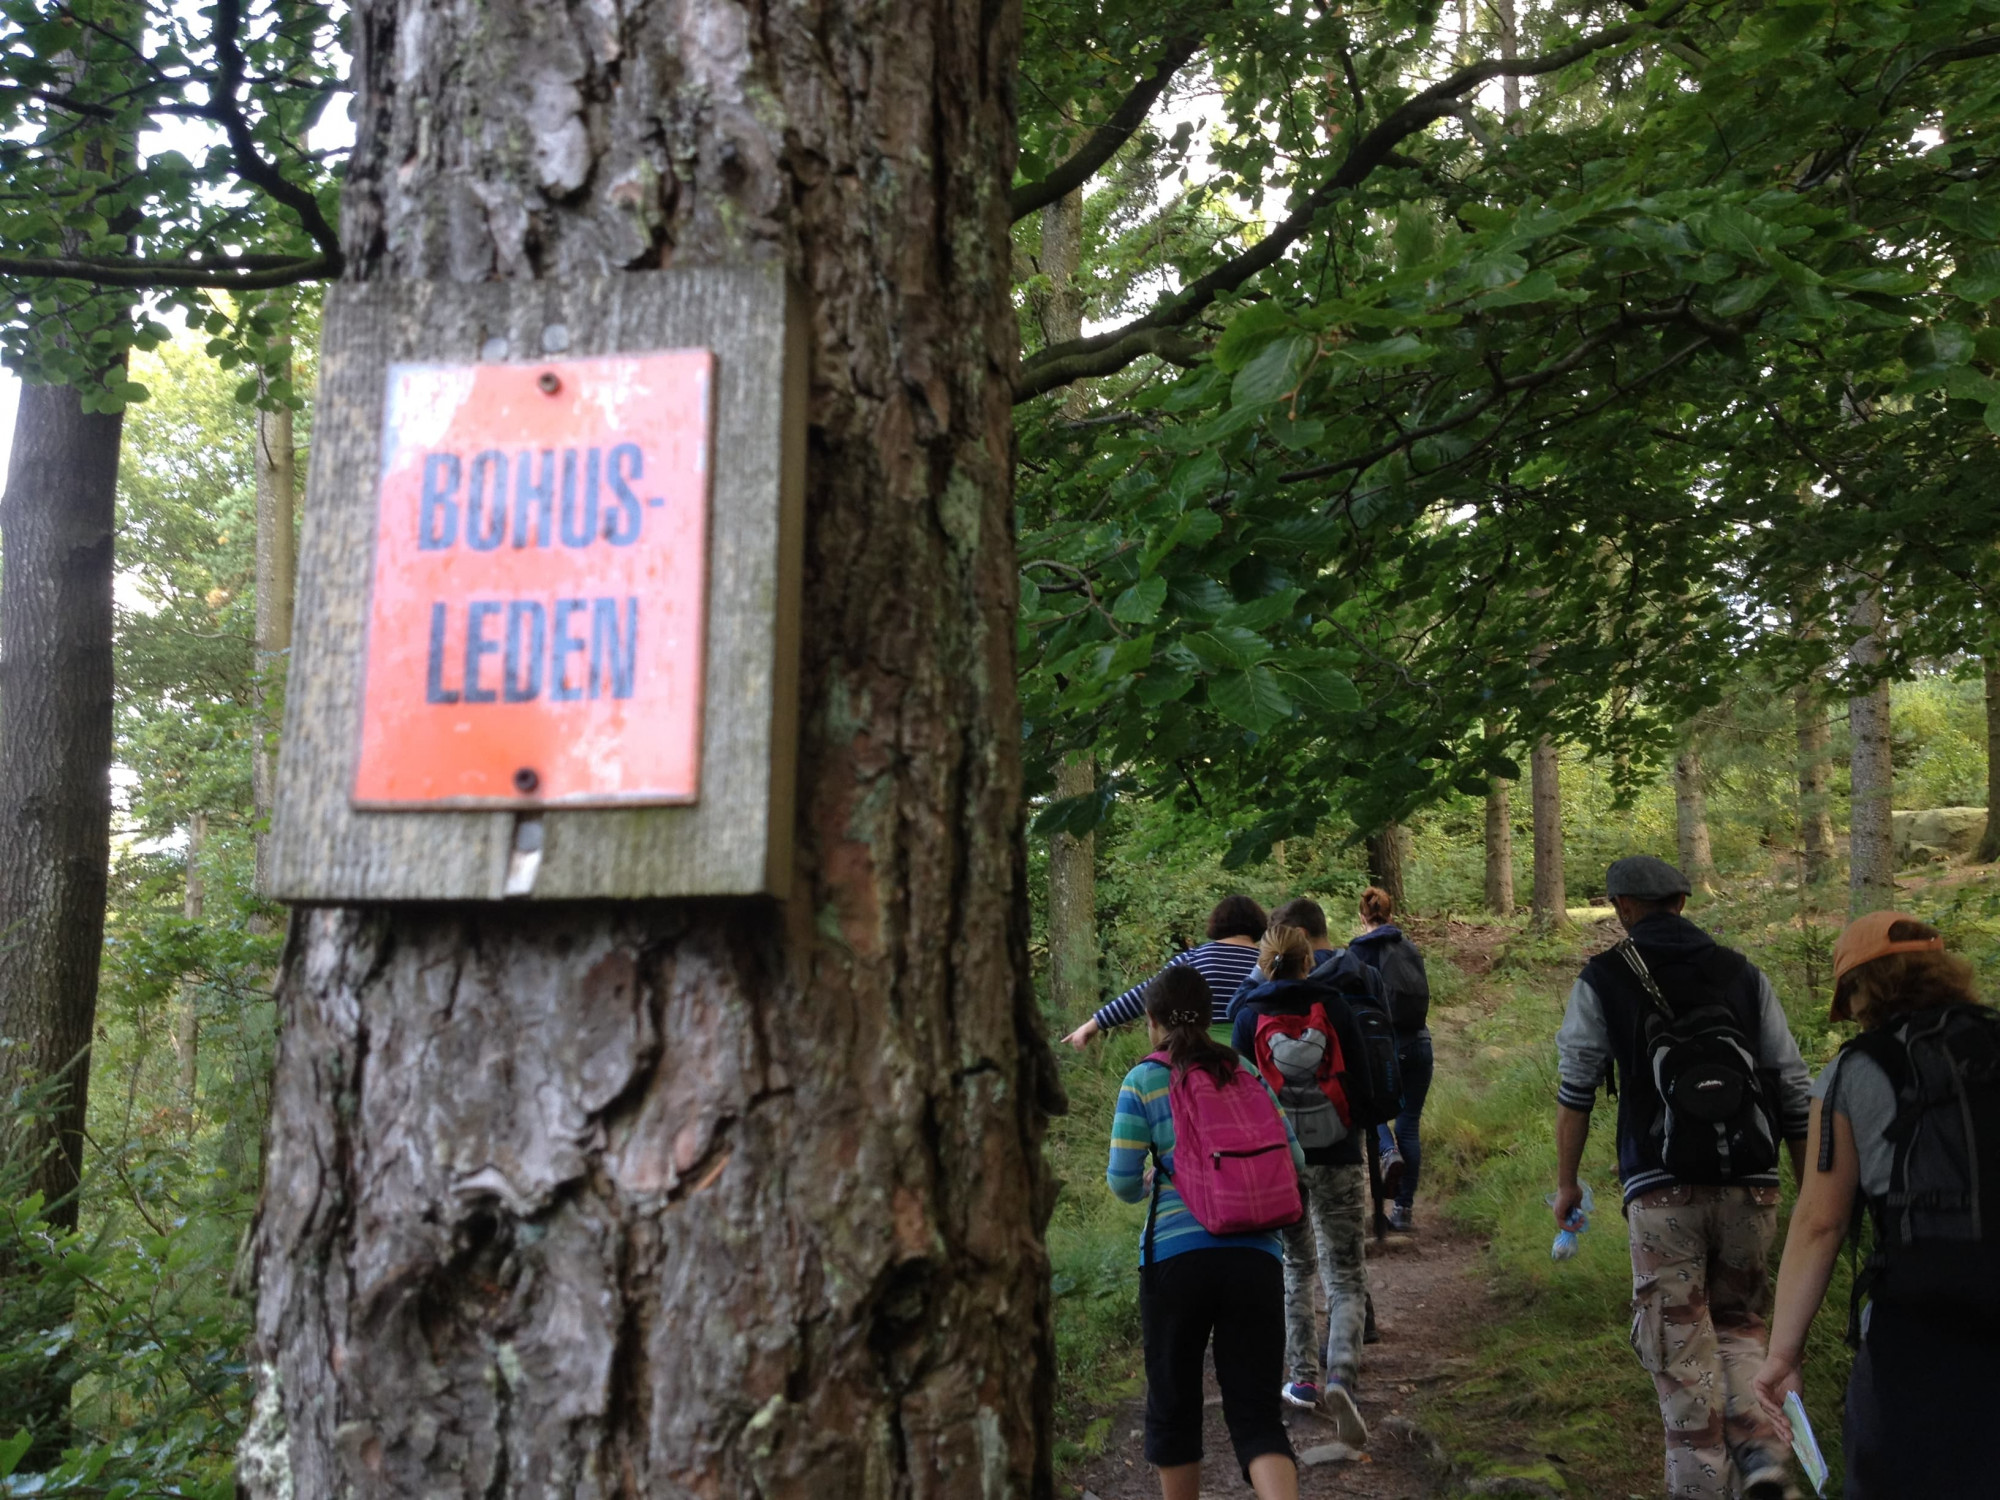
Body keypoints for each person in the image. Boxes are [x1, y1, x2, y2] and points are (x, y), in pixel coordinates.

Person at [1551, 855, 1811, 1500]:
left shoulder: (1604, 976)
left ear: (1622, 907)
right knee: (1740, 1323)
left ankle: (1699, 1486)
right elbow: (1791, 1083)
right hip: (1753, 1181)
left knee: (1679, 1344)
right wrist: (1809, 1190)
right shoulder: (1741, 972)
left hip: (1661, 1185)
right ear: (1683, 901)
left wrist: (1568, 1183)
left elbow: (1576, 1086)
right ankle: (1761, 1459)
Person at [1753, 913, 2000, 1497]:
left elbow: (1821, 1223)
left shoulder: (1856, 1069)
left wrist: (1783, 1354)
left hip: (1921, 1321)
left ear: (1864, 988)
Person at [1108, 965, 1304, 1500]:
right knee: (1257, 1413)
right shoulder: (1245, 1071)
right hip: (1256, 1257)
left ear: (1152, 1021)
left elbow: (1122, 1181)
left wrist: (1154, 1179)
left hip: (1175, 1262)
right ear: (1210, 1015)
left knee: (1173, 1406)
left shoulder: (1142, 1080)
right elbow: (1295, 1161)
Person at [1230, 923, 1371, 1444]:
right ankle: (1342, 1376)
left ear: (1263, 962)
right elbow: (1361, 1080)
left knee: (1295, 1264)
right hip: (1338, 1152)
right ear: (1309, 959)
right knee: (1346, 1271)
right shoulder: (1335, 1006)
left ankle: (1303, 1378)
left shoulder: (1248, 1016)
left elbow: (1243, 1094)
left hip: (1280, 1161)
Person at [1066, 895, 1267, 1050]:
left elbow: (1147, 994)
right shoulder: (1268, 963)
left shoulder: (1194, 958)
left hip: (1201, 1053)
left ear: (1218, 922)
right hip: (1256, 1054)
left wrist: (1094, 1024)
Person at [1348, 886, 1431, 1231]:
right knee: (1409, 1125)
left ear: (1362, 917)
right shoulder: (1408, 946)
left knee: (1372, 1112)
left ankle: (1386, 1151)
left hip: (1383, 1049)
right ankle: (1403, 1211)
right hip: (1420, 1043)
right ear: (1390, 914)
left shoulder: (1358, 951)